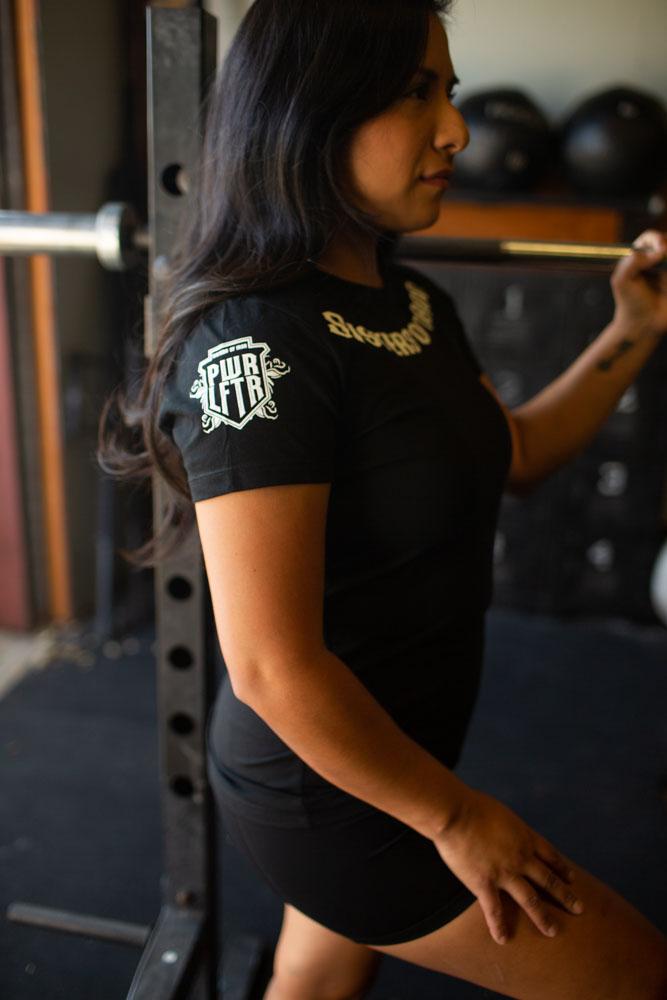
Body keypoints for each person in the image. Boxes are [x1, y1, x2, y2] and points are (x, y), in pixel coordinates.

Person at [97, 1, 667, 997]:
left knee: (317, 982)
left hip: (399, 750)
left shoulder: (411, 303)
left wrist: (633, 330)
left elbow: (518, 452)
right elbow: (271, 666)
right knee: (635, 975)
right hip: (330, 789)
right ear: (310, 115)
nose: (457, 130)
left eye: (449, 92)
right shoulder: (254, 347)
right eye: (416, 95)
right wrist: (456, 816)